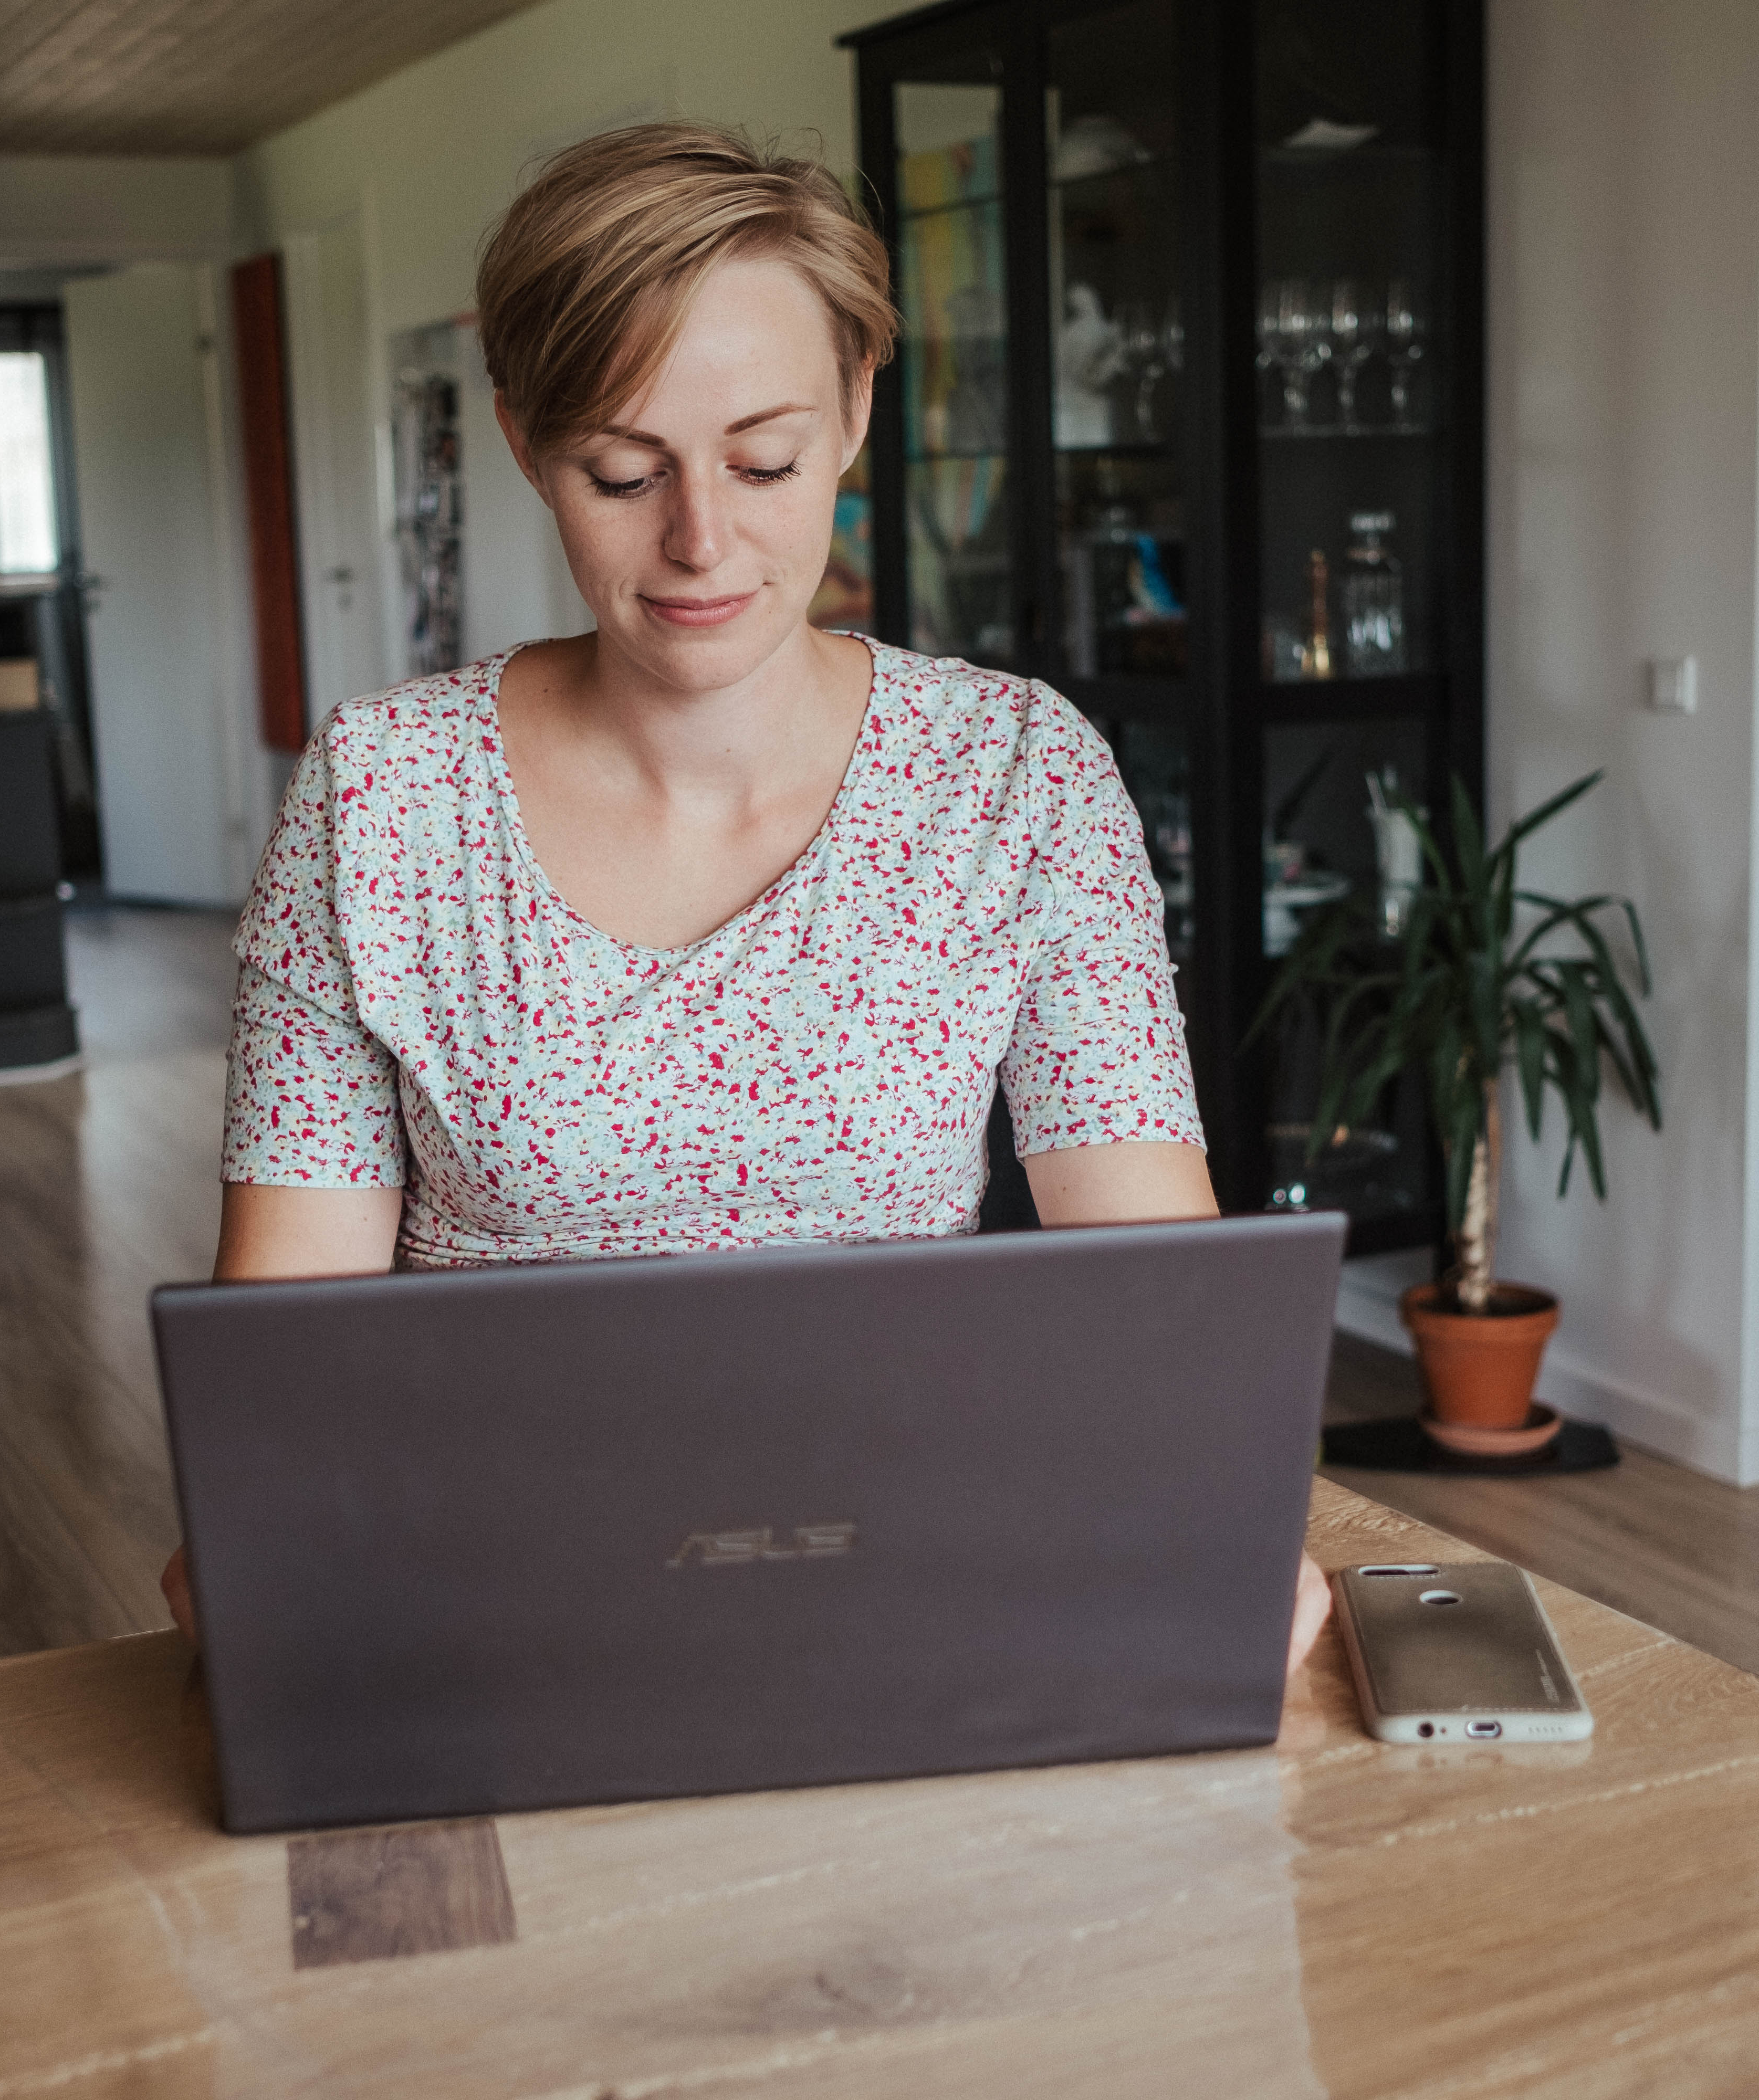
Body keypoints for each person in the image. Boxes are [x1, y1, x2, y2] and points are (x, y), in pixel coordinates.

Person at [182, 120, 1327, 1670]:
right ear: (525, 442)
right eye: (621, 470)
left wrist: (1232, 1524)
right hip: (486, 1607)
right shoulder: (382, 801)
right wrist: (260, 1549)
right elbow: (288, 1364)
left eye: (765, 460)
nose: (700, 542)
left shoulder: (1015, 778)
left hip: (919, 1581)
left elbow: (1152, 1300)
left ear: (859, 405)